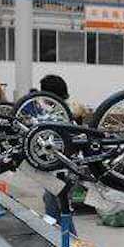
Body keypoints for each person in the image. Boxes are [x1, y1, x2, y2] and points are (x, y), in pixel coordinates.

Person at [39, 75, 86, 235]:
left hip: (64, 169)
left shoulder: (64, 112)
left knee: (56, 207)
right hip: (59, 168)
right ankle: (66, 244)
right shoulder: (59, 110)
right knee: (55, 205)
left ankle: (69, 246)